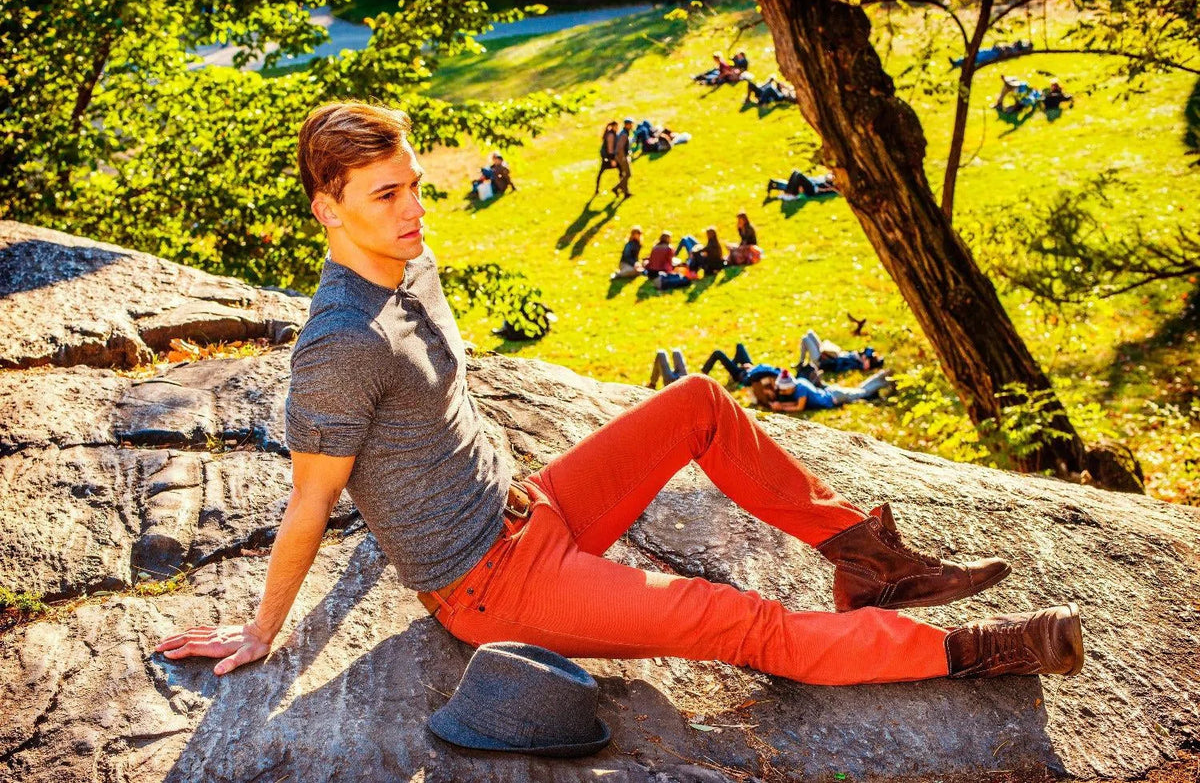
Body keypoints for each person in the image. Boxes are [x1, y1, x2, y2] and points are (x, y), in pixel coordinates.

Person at [155, 101, 1085, 695]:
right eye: (386, 195)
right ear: (328, 208)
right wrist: (263, 628)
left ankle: (867, 560)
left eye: (415, 188)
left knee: (698, 400)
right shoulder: (337, 346)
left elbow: (421, 414)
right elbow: (312, 499)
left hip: (537, 507)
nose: (413, 211)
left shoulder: (412, 260)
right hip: (490, 586)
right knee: (735, 619)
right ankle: (976, 651)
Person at [751, 367, 892, 412]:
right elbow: (795, 404)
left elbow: (799, 407)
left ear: (788, 387)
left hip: (835, 397)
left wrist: (781, 407)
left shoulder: (801, 389)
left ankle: (885, 378)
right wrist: (780, 405)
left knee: (863, 392)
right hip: (833, 393)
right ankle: (883, 379)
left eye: (783, 390)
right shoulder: (798, 384)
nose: (782, 393)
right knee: (860, 391)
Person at [798, 329, 885, 374]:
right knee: (810, 333)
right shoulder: (859, 357)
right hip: (826, 354)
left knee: (805, 338)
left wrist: (833, 357)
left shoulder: (856, 365)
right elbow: (869, 348)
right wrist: (867, 357)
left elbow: (837, 367)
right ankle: (801, 363)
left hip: (820, 361)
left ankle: (801, 362)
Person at [765, 170, 838, 199]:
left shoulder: (833, 186)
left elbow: (824, 189)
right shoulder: (828, 178)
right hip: (811, 185)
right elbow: (826, 177)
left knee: (797, 175)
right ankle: (775, 185)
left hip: (813, 190)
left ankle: (786, 190)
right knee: (795, 177)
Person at [594, 121, 619, 196]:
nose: (617, 128)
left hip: (606, 158)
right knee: (621, 171)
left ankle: (597, 189)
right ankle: (619, 188)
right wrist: (612, 160)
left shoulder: (611, 133)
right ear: (613, 126)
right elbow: (610, 149)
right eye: (616, 127)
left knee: (600, 173)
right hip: (608, 158)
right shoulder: (611, 135)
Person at [613, 118, 633, 198]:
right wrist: (623, 157)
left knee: (626, 174)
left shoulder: (625, 133)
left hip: (622, 156)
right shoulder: (624, 134)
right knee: (628, 174)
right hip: (622, 157)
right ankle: (616, 188)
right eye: (631, 124)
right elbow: (620, 147)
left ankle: (626, 192)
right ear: (627, 125)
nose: (632, 126)